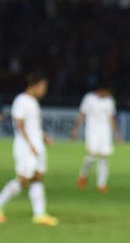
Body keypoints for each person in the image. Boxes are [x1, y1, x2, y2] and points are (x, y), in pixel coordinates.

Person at [0, 73, 58, 226]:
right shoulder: (21, 100)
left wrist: (43, 136)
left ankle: (39, 215)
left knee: (38, 177)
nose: (44, 91)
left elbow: (33, 126)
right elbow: (19, 124)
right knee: (23, 180)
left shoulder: (33, 102)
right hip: (25, 147)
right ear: (33, 85)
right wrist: (30, 145)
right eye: (42, 87)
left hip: (36, 145)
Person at [71, 85, 121, 193]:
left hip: (105, 132)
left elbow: (111, 117)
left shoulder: (109, 101)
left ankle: (101, 184)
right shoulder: (89, 98)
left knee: (104, 157)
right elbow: (82, 114)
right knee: (91, 156)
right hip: (92, 131)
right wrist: (76, 129)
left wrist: (116, 134)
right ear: (102, 90)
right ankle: (83, 175)